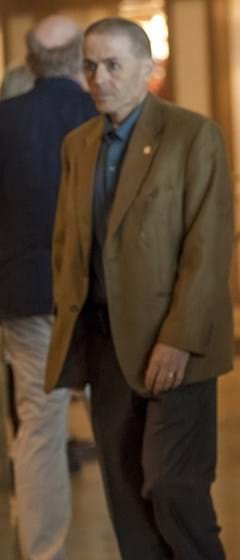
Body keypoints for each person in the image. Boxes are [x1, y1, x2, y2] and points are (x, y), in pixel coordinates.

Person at [45, 17, 233, 559]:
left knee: (173, 487)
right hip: (106, 346)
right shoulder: (78, 145)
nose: (99, 77)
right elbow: (68, 244)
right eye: (89, 65)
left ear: (147, 69)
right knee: (126, 499)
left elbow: (208, 246)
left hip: (176, 346)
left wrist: (179, 338)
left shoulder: (192, 134)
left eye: (112, 65)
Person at [0, 15, 96, 560]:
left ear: (31, 60)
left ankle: (42, 551)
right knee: (121, 427)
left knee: (38, 425)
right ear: (81, 58)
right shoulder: (103, 117)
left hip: (26, 294)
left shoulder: (5, 120)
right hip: (103, 298)